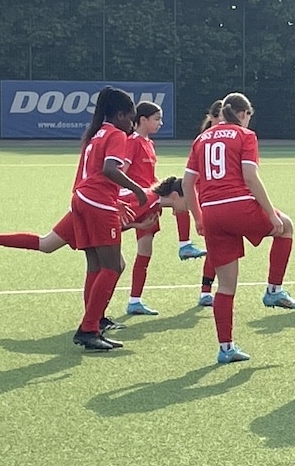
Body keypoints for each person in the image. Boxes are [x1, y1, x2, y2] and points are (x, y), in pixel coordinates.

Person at [183, 92, 295, 365]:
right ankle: (274, 291)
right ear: (244, 113)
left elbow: (188, 184)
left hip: (212, 213)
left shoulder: (201, 139)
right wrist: (270, 213)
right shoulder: (244, 136)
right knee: (286, 227)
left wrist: (198, 218)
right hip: (238, 205)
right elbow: (250, 176)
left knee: (225, 287)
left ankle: (226, 348)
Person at [68, 87, 148, 350]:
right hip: (96, 202)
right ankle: (89, 327)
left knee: (96, 265)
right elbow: (109, 169)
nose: (131, 125)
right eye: (130, 118)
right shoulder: (114, 134)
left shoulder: (96, 133)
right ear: (120, 114)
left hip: (81, 198)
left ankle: (95, 319)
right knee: (113, 266)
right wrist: (136, 189)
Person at [0, 178, 189, 262]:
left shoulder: (154, 204)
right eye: (189, 201)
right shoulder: (148, 201)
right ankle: (95, 320)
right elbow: (110, 214)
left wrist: (136, 225)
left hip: (90, 214)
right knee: (113, 266)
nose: (189, 207)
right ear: (175, 195)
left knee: (47, 245)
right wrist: (137, 225)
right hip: (88, 214)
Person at [122, 101, 207, 317]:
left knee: (145, 252)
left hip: (149, 201)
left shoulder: (149, 143)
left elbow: (147, 176)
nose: (161, 123)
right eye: (157, 119)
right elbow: (122, 173)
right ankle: (184, 244)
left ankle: (134, 301)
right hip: (135, 201)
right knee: (182, 193)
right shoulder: (131, 142)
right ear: (143, 120)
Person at [195, 100, 223, 308]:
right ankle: (206, 290)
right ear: (212, 118)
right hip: (209, 202)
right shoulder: (202, 141)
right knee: (215, 248)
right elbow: (192, 180)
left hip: (226, 202)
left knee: (222, 248)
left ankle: (211, 290)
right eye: (220, 117)